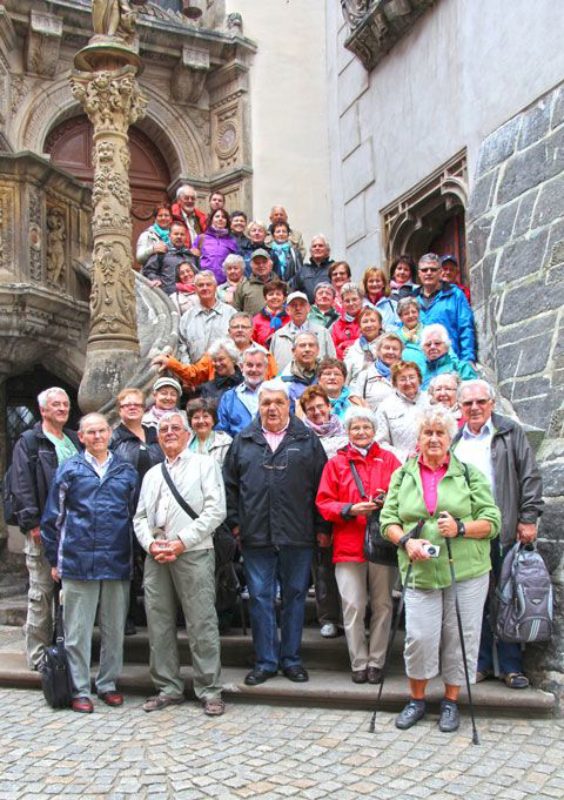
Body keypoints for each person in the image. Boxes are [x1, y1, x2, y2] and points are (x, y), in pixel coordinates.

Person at [381, 407, 501, 732]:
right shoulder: (403, 475)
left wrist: (461, 528)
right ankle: (417, 700)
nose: (433, 438)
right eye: (427, 433)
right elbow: (387, 520)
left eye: (440, 433)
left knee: (460, 636)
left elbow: (492, 521)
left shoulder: (469, 474)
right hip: (420, 569)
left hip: (467, 570)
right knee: (419, 637)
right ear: (418, 439)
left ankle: (451, 701)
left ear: (450, 438)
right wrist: (406, 541)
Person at [223, 379, 329, 685]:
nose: (272, 408)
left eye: (278, 402)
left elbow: (321, 487)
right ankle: (266, 661)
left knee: (295, 596)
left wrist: (321, 527)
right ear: (259, 406)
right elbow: (228, 487)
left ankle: (291, 659)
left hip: (298, 533)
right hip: (255, 534)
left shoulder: (307, 440)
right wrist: (235, 524)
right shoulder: (243, 440)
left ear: (289, 405)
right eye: (266, 402)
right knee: (260, 597)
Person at [41, 413, 138, 713]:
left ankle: (107, 684)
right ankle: (80, 688)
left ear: (110, 434)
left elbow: (135, 515)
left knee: (114, 630)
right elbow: (52, 519)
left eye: (102, 431)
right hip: (78, 561)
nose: (97, 437)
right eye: (90, 432)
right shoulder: (69, 469)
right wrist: (54, 559)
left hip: (116, 560)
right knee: (77, 632)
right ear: (81, 437)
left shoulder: (126, 471)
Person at [452, 379, 544, 689]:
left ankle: (510, 666)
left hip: (504, 530)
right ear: (460, 408)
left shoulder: (509, 432)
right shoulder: (455, 441)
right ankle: (479, 664)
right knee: (474, 599)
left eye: (480, 402)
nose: (475, 408)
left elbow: (529, 475)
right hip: (468, 534)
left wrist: (528, 518)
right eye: (468, 404)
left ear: (492, 403)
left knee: (506, 598)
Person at [133, 411, 226, 716]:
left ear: (187, 433)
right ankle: (167, 687)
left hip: (194, 551)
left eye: (175, 427)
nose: (169, 432)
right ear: (157, 437)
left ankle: (209, 689)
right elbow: (141, 517)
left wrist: (181, 541)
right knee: (158, 623)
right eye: (163, 429)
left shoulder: (205, 465)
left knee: (202, 622)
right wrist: (150, 544)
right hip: (157, 556)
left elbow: (216, 511)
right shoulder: (152, 474)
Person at [316, 407, 401, 684]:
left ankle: (376, 660)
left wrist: (385, 502)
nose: (361, 432)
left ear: (374, 431)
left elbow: (404, 497)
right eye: (356, 428)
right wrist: (350, 509)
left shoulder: (389, 460)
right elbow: (323, 502)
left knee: (383, 603)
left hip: (382, 542)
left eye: (366, 427)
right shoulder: (336, 464)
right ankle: (358, 661)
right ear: (348, 431)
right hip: (348, 542)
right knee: (352, 604)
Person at [9, 387, 80, 670]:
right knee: (41, 593)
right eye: (56, 405)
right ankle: (38, 656)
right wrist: (33, 524)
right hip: (44, 529)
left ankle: (65, 651)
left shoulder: (74, 439)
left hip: (74, 529)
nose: (62, 408)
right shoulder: (29, 441)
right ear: (43, 410)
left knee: (70, 593)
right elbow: (21, 484)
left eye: (65, 404)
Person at [110, 387, 164, 635]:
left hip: (156, 509)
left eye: (137, 405)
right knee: (128, 563)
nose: (132, 408)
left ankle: (162, 616)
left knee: (157, 561)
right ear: (119, 410)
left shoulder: (155, 436)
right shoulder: (113, 439)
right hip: (125, 509)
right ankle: (128, 615)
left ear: (144, 409)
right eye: (127, 405)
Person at [152, 312, 278, 390]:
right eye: (235, 327)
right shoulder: (217, 351)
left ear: (251, 331)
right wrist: (171, 363)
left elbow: (274, 383)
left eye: (244, 327)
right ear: (229, 331)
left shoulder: (264, 355)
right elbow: (195, 374)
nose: (240, 330)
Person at [414, 253, 476, 364]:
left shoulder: (455, 294)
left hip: (451, 360)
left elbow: (466, 327)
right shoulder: (412, 299)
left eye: (433, 269)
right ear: (419, 273)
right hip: (421, 363)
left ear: (440, 272)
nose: (428, 273)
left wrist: (468, 359)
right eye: (424, 270)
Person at [178, 270, 237, 363]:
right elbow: (182, 348)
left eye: (208, 284)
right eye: (200, 285)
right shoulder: (186, 319)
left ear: (215, 287)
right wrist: (189, 370)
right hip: (197, 373)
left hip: (226, 374)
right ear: (195, 289)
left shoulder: (231, 314)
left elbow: (239, 343)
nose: (205, 288)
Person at [270, 291, 336, 371]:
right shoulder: (278, 335)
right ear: (287, 310)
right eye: (294, 305)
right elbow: (271, 366)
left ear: (308, 308)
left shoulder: (323, 333)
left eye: (302, 304)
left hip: (315, 382)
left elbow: (333, 363)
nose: (298, 308)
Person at [375, 361, 429, 461]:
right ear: (395, 383)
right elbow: (380, 442)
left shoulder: (430, 400)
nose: (408, 382)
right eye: (402, 379)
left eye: (412, 377)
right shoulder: (385, 407)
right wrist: (404, 456)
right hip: (401, 465)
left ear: (419, 379)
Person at [217, 346, 269, 436]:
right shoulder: (229, 398)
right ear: (241, 367)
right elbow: (221, 432)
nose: (254, 369)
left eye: (259, 365)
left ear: (266, 368)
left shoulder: (276, 394)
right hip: (238, 448)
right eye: (249, 365)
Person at [349, 332, 404, 412]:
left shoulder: (407, 375)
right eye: (386, 348)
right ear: (378, 351)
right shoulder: (365, 375)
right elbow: (354, 399)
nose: (391, 352)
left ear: (400, 353)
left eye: (395, 349)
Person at [142, 221, 196, 296]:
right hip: (167, 296)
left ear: (186, 237)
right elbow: (148, 270)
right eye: (176, 234)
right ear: (169, 235)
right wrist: (155, 279)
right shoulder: (161, 252)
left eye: (182, 234)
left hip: (190, 297)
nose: (179, 237)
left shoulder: (190, 255)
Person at [420, 323, 477, 389]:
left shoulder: (461, 368)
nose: (432, 347)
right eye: (428, 344)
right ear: (423, 349)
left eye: (437, 343)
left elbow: (471, 394)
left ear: (447, 346)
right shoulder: (421, 374)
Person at [300, 385, 349, 458]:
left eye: (320, 406)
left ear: (329, 406)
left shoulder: (345, 429)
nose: (316, 412)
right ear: (305, 413)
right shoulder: (301, 437)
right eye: (311, 409)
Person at [192, 208, 238, 285]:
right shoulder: (201, 238)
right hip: (204, 283)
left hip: (224, 284)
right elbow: (192, 261)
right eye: (217, 216)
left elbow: (234, 264)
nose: (220, 219)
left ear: (227, 221)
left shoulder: (231, 241)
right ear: (212, 220)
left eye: (223, 217)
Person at [279, 332, 320, 410]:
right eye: (302, 345)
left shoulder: (326, 374)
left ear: (318, 350)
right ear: (293, 351)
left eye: (311, 345)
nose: (307, 349)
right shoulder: (283, 380)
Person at [344, 307, 383, 385]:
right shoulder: (353, 350)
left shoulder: (389, 346)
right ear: (360, 326)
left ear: (380, 325)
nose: (369, 325)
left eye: (372, 321)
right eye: (365, 322)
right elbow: (346, 377)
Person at [186, 398, 232, 463]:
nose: (201, 421)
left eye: (205, 416)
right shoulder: (185, 443)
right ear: (190, 421)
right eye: (196, 417)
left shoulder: (225, 442)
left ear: (213, 420)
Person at [233, 249, 277, 317]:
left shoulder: (281, 285)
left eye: (264, 262)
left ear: (271, 264)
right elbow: (236, 311)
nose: (261, 265)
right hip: (252, 327)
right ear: (251, 265)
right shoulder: (243, 287)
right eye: (257, 263)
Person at [198, 338, 243, 402]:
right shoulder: (207, 388)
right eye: (214, 360)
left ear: (233, 358)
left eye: (221, 359)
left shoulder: (246, 384)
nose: (217, 364)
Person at [292, 235, 335, 303]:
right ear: (311, 251)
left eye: (320, 246)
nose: (317, 248)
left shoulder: (334, 268)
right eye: (314, 246)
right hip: (308, 311)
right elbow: (295, 292)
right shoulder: (302, 271)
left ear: (327, 250)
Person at [252, 279, 290, 348]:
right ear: (265, 298)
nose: (274, 297)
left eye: (278, 294)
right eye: (271, 294)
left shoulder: (291, 318)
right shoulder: (256, 320)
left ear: (284, 298)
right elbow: (252, 344)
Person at [331, 282, 362, 359]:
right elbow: (333, 349)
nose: (351, 303)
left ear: (361, 300)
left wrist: (349, 347)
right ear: (342, 303)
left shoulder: (369, 319)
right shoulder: (337, 325)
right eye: (347, 301)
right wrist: (342, 353)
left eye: (354, 299)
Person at [395, 297, 426, 374]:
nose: (411, 315)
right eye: (406, 313)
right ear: (400, 317)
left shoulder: (430, 332)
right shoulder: (395, 337)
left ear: (418, 313)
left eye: (414, 312)